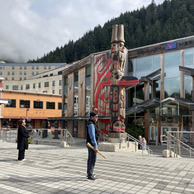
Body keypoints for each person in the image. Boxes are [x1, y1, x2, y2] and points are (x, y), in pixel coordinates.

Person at [86, 112, 99, 180]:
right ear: (92, 117)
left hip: (90, 144)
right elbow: (92, 136)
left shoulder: (90, 123)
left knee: (90, 159)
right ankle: (90, 174)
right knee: (92, 159)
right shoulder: (91, 124)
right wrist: (95, 146)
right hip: (91, 145)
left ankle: (89, 172)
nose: (97, 118)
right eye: (96, 117)